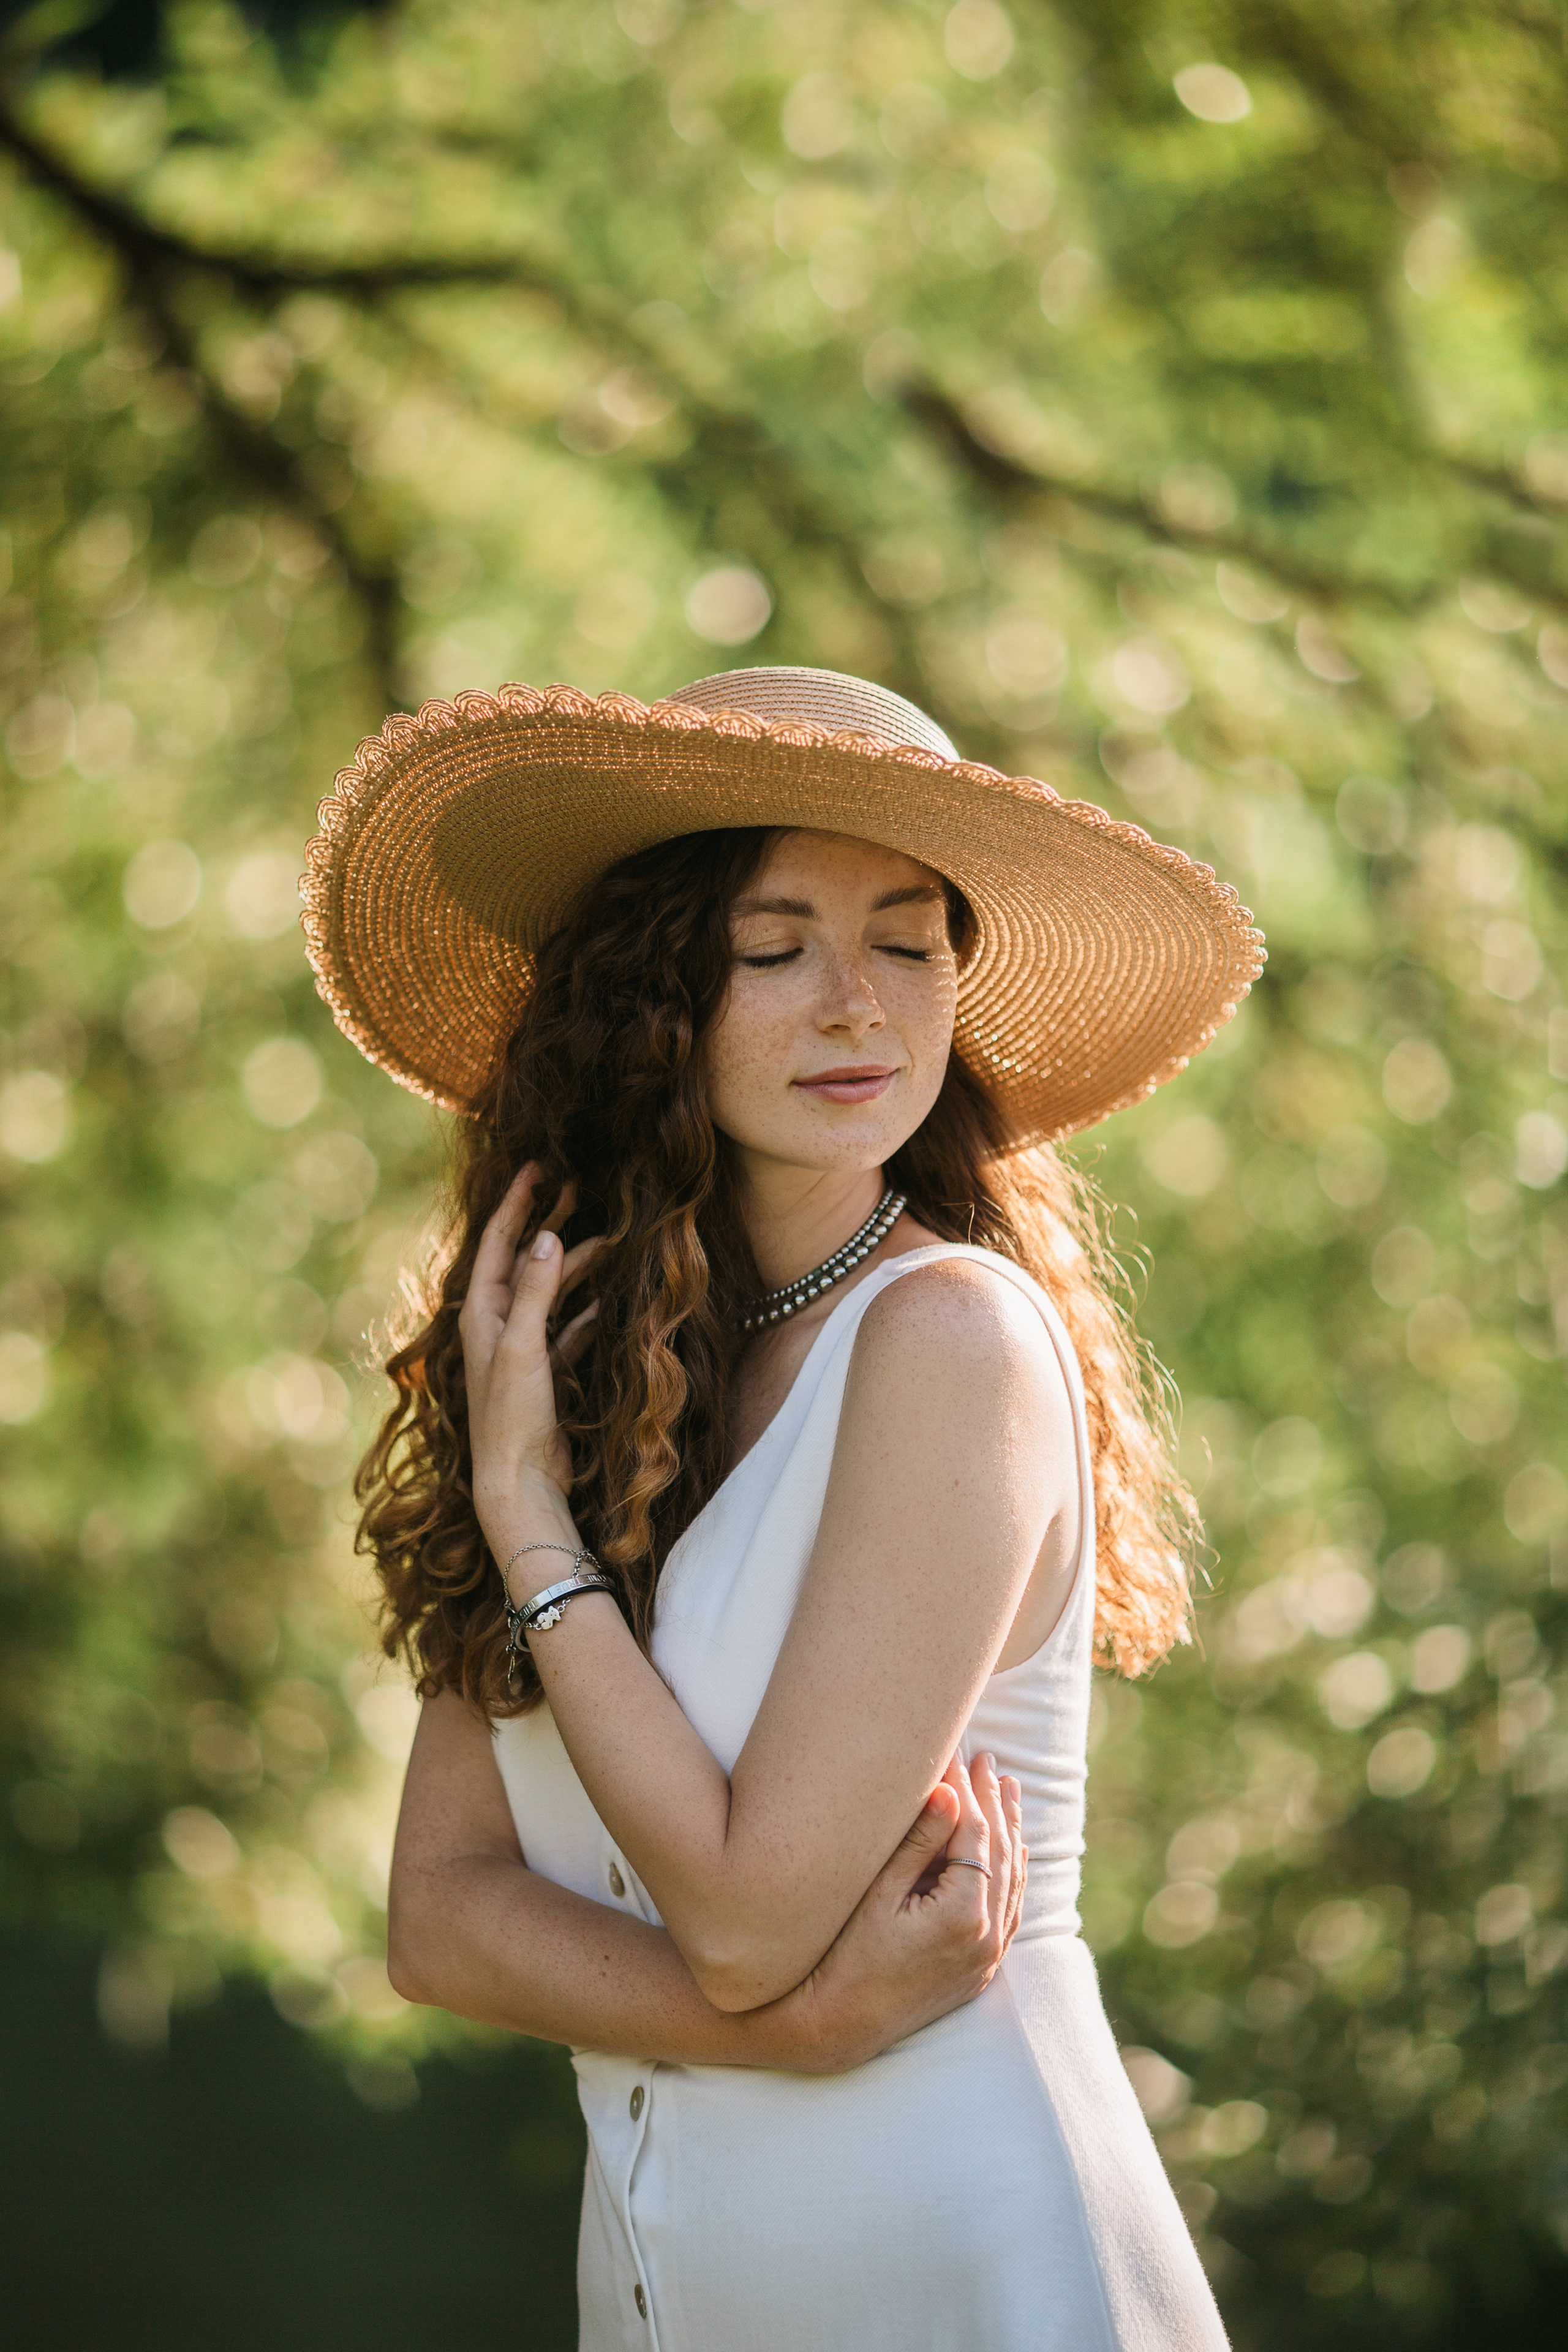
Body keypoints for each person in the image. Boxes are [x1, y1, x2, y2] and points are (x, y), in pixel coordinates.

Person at [304, 666, 1264, 2350]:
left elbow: (748, 1920)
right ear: (650, 991)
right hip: (668, 2291)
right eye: (777, 948)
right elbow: (442, 1915)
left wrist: (532, 1526)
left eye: (910, 942)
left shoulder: (949, 1342)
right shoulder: (573, 1370)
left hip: (975, 2268)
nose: (859, 1008)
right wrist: (786, 2031)